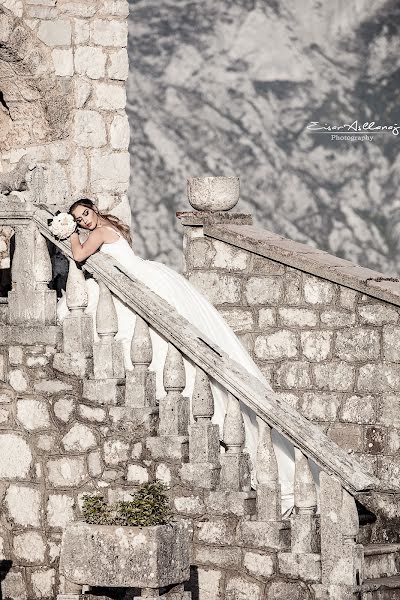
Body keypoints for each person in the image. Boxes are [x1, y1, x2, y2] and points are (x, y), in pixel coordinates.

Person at [57, 198, 297, 514]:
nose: (84, 221)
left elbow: (77, 255)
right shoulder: (109, 226)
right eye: (78, 219)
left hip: (138, 282)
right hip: (147, 275)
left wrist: (68, 233)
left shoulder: (100, 231)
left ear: (95, 211)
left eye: (84, 214)